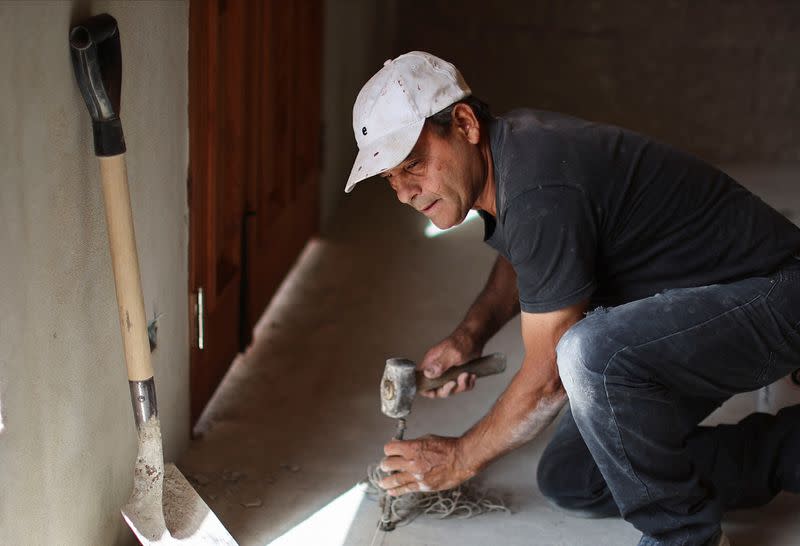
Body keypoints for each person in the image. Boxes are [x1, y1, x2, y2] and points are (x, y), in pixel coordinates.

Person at [344, 51, 800, 546]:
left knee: (589, 353)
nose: (405, 193)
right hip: (693, 313)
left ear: (464, 123)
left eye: (414, 165)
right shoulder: (511, 157)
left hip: (775, 294)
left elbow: (548, 382)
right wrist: (469, 335)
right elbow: (528, 253)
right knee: (574, 477)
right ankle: (789, 451)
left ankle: (684, 535)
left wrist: (459, 458)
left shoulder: (541, 183)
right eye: (391, 179)